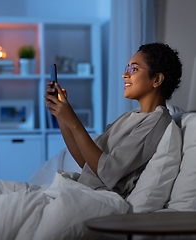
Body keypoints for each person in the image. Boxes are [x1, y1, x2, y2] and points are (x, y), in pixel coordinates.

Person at [44, 42, 182, 198]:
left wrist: (74, 121)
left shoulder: (157, 121)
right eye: (127, 69)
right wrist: (61, 116)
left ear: (157, 79)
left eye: (134, 69)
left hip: (97, 198)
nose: (125, 75)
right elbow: (87, 163)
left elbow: (107, 170)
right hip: (81, 190)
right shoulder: (129, 117)